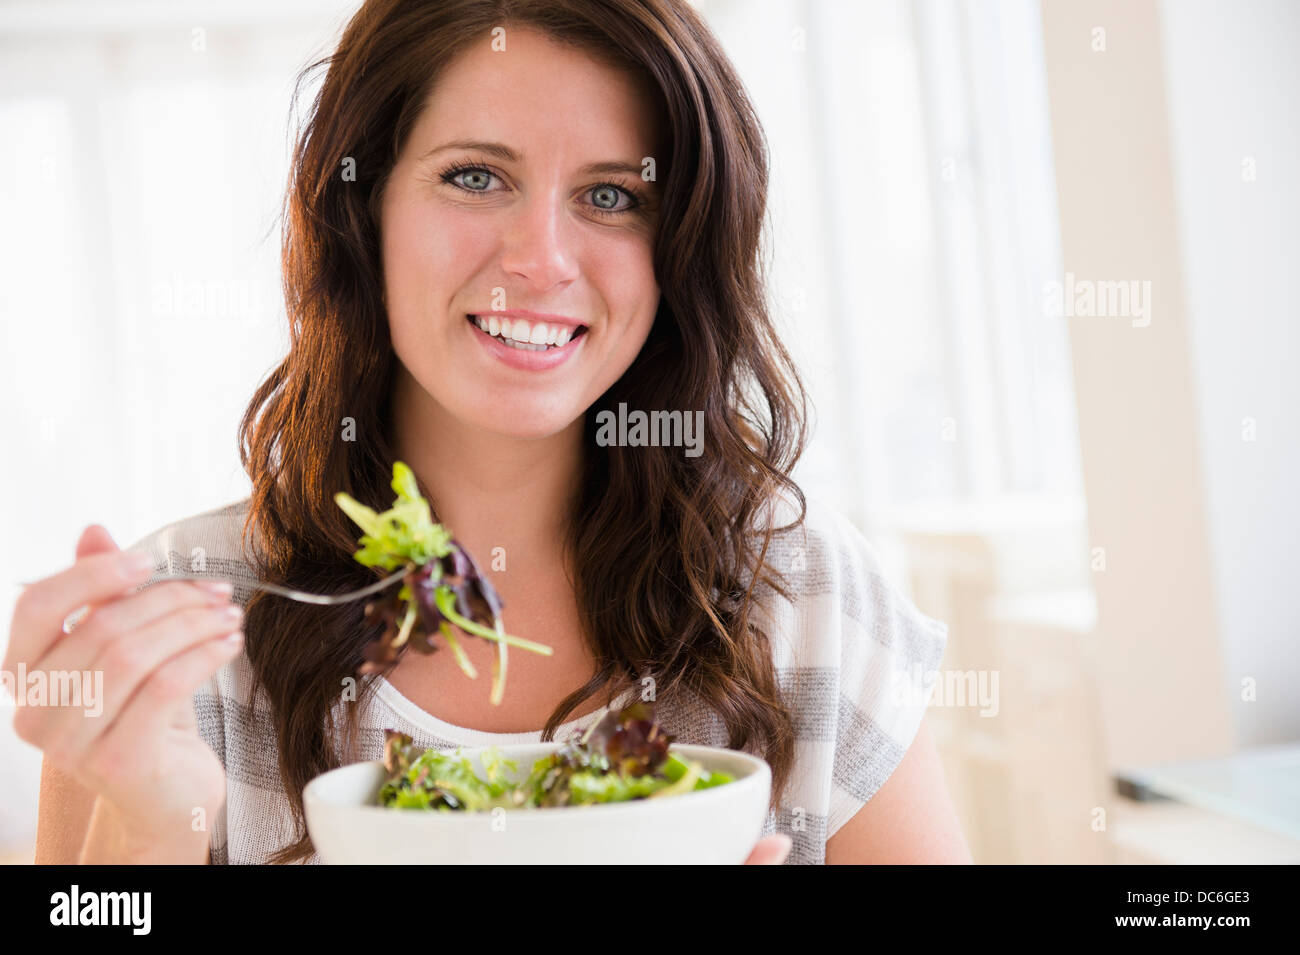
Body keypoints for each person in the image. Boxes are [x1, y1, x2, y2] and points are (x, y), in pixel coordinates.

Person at [11, 0, 971, 865]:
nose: (542, 261)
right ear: (363, 211)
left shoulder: (803, 598)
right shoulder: (187, 643)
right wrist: (144, 825)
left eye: (611, 195)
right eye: (475, 176)